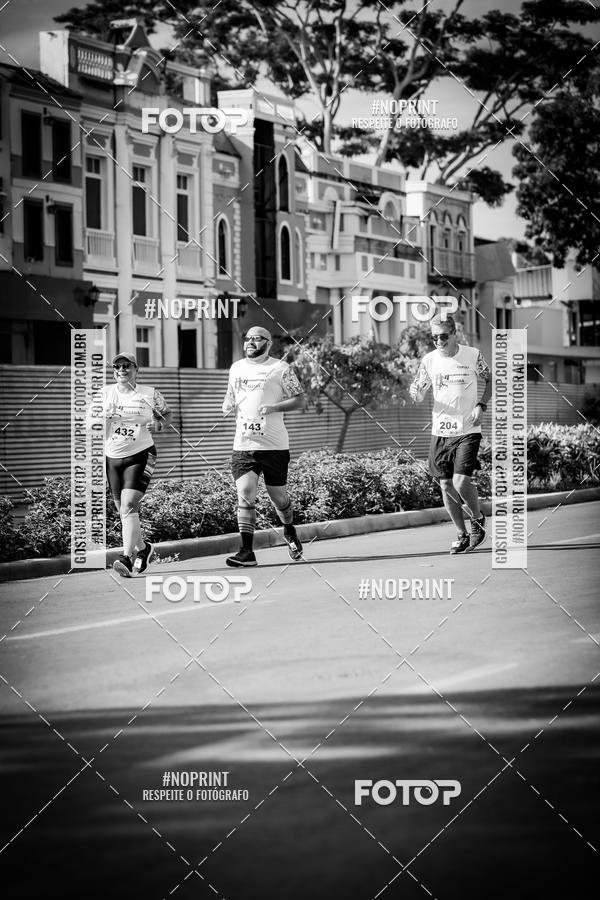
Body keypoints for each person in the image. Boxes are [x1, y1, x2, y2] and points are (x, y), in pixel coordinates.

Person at [222, 326, 305, 567]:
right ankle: (246, 551)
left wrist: (274, 407)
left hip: (274, 444)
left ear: (268, 343)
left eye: (256, 339)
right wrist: (227, 404)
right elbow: (230, 396)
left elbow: (300, 399)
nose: (249, 342)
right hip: (243, 444)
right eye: (247, 338)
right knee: (245, 493)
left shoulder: (280, 368)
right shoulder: (236, 368)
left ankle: (289, 530)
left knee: (278, 497)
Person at [410, 314, 492, 553]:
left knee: (459, 480)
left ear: (455, 334)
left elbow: (490, 380)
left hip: (468, 428)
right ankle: (461, 533)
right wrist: (415, 393)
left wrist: (481, 405)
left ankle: (477, 519)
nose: (439, 341)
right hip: (441, 430)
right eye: (434, 337)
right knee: (445, 484)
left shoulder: (472, 355)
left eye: (443, 336)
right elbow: (420, 393)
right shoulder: (429, 360)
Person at [99, 352, 172, 577]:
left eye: (127, 366)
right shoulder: (104, 394)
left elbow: (167, 415)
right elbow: (92, 425)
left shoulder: (149, 394)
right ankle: (143, 549)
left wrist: (159, 426)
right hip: (112, 457)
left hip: (142, 453)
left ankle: (126, 558)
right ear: (114, 371)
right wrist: (103, 419)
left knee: (129, 504)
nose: (122, 369)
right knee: (124, 511)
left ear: (136, 369)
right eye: (117, 366)